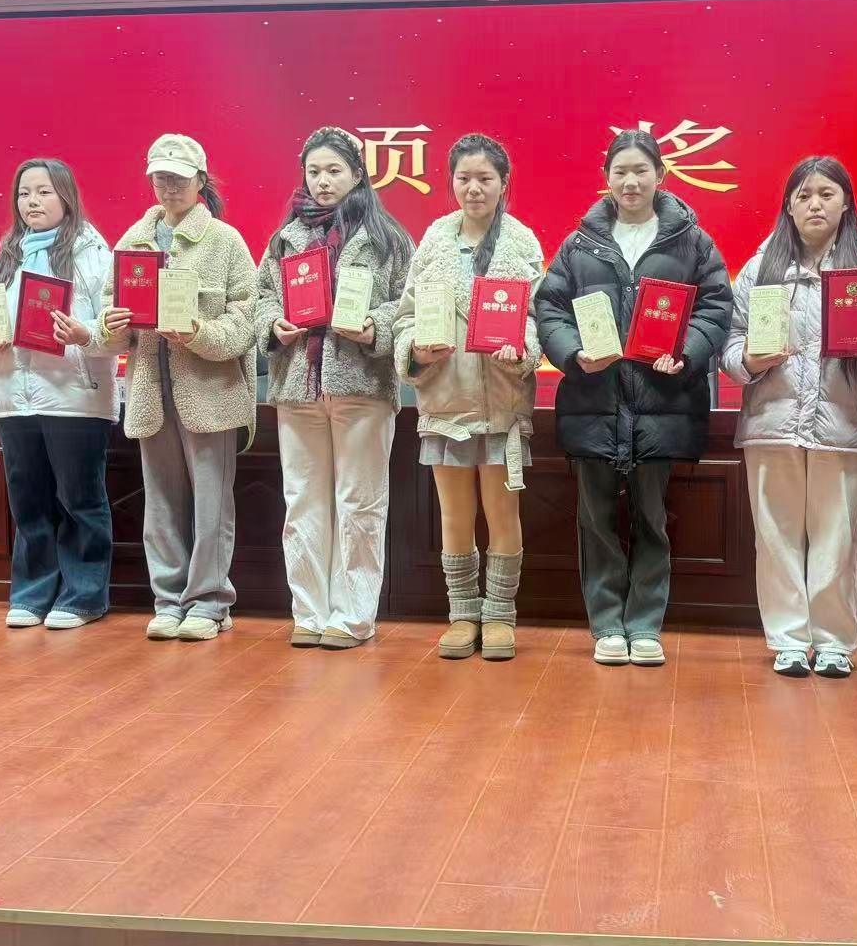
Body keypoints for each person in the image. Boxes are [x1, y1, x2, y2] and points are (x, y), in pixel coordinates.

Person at [534, 129, 732, 666]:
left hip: (661, 401)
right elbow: (549, 308)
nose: (630, 181)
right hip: (594, 400)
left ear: (660, 175)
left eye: (641, 170)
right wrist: (574, 354)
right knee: (595, 521)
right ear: (606, 179)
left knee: (652, 518)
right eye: (620, 171)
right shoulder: (580, 244)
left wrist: (687, 352)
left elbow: (717, 307)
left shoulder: (693, 241)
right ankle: (606, 625)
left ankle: (644, 625)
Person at [722, 157, 857, 678]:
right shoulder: (760, 271)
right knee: (775, 538)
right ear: (788, 207)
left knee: (835, 540)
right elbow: (730, 348)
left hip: (842, 425)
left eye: (826, 194)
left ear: (846, 204)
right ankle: (787, 639)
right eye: (803, 196)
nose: (814, 205)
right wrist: (749, 359)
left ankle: (834, 643)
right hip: (771, 423)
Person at [96, 133, 257, 642]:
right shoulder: (133, 241)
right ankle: (167, 600)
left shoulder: (226, 241)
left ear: (201, 181)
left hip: (210, 393)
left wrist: (198, 333)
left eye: (179, 178)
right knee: (160, 503)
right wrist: (112, 325)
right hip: (150, 389)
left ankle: (210, 602)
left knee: (212, 506)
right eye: (161, 178)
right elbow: (109, 322)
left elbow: (246, 321)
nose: (169, 187)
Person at [256, 127, 413, 650]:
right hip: (297, 387)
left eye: (334, 171)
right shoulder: (285, 238)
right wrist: (272, 324)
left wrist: (374, 327)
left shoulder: (387, 237)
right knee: (302, 501)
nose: (322, 181)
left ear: (358, 174)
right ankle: (309, 612)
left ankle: (353, 616)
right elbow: (262, 297)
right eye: (314, 171)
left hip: (362, 386)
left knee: (360, 502)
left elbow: (407, 305)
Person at [392, 134, 543, 662]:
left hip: (503, 403)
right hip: (445, 400)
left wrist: (521, 349)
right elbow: (405, 317)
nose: (474, 188)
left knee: (502, 514)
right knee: (454, 517)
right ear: (451, 181)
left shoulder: (521, 243)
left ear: (504, 183)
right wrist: (415, 350)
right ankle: (461, 614)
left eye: (485, 178)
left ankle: (500, 615)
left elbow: (536, 318)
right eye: (464, 178)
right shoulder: (433, 241)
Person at [0, 158, 115, 631]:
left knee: (79, 501)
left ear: (66, 197)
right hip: (13, 396)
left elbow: (118, 332)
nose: (33, 201)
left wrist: (84, 334)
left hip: (74, 396)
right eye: (25, 193)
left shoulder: (94, 256)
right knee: (28, 503)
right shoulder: (4, 261)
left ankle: (83, 596)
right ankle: (31, 595)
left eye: (44, 192)